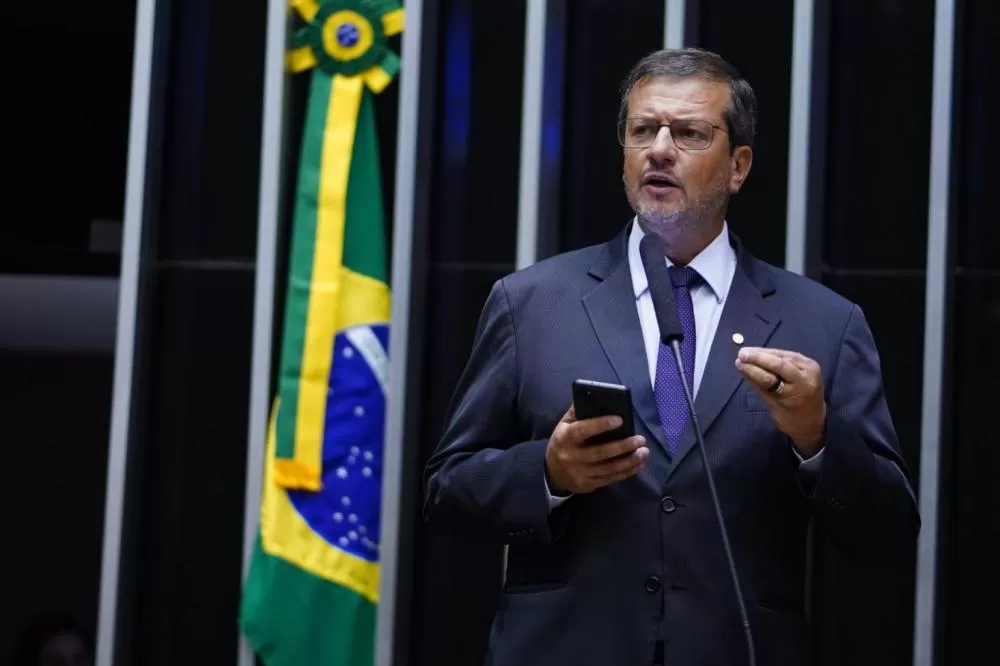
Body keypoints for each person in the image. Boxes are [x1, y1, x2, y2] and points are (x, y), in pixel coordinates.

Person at [423, 47, 919, 666]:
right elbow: (447, 494)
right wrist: (548, 474)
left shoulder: (823, 322)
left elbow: (888, 531)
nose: (659, 150)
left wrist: (817, 437)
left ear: (738, 166)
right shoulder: (530, 304)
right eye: (642, 131)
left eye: (689, 133)